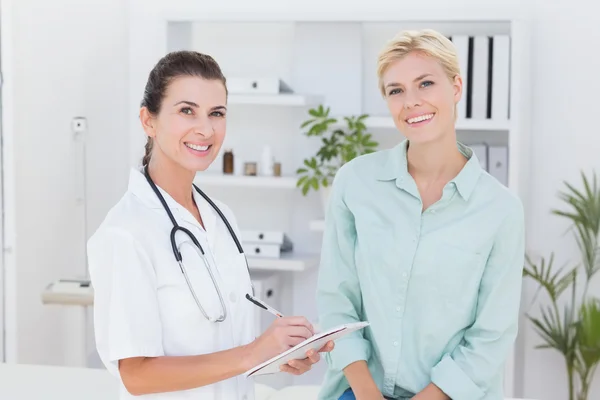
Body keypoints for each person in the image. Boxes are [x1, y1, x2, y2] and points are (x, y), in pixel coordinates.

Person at [87, 50, 333, 400]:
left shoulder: (220, 217)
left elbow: (223, 344)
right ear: (148, 121)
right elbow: (136, 376)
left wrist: (277, 356)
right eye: (187, 111)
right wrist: (253, 352)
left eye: (216, 113)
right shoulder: (124, 233)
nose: (206, 129)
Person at [316, 29, 525, 400]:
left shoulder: (501, 209)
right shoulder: (355, 182)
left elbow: (491, 336)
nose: (411, 102)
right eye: (396, 90)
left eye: (425, 83)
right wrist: (366, 393)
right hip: (360, 391)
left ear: (456, 87)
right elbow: (337, 300)